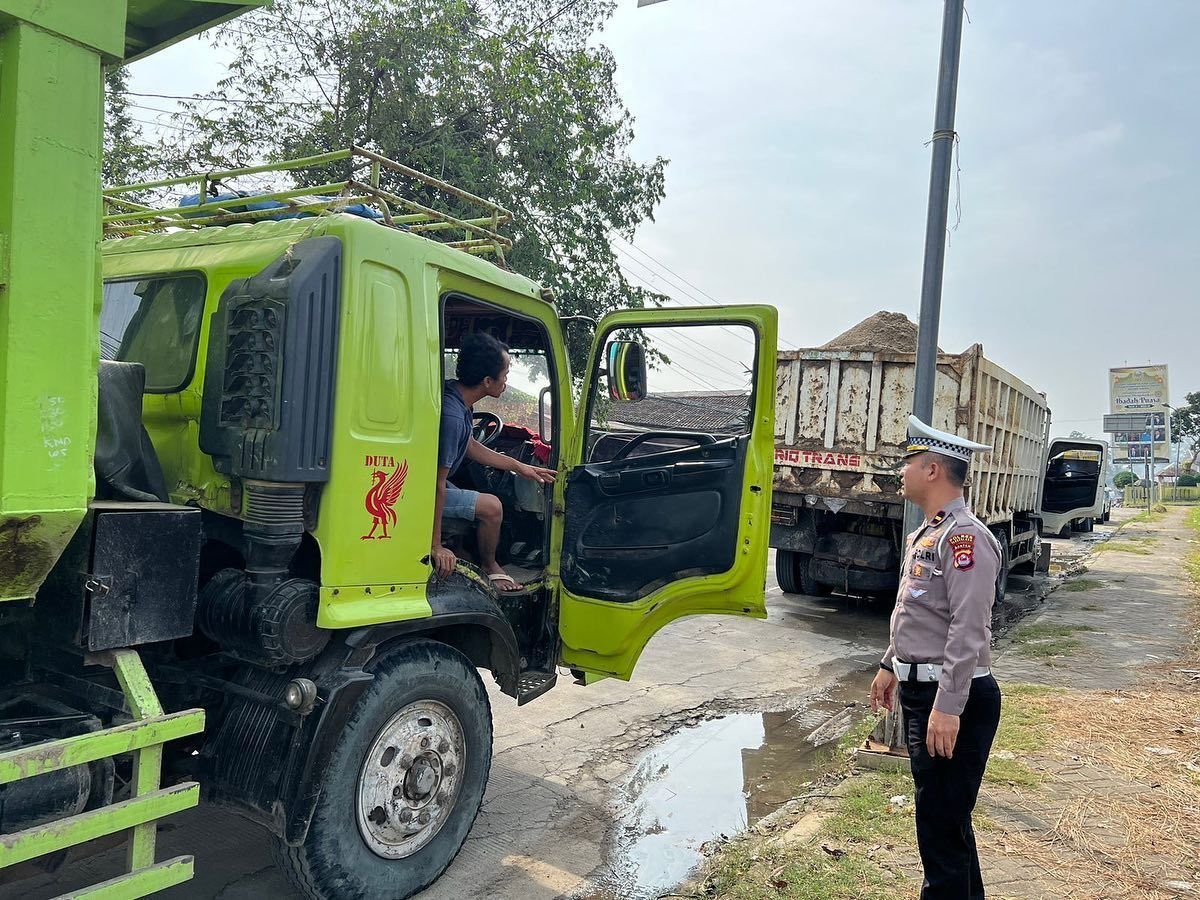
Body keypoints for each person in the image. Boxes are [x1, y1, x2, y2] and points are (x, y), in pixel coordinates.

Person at [869, 415, 1003, 900]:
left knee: (941, 825)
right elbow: (919, 613)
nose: (900, 472)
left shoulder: (964, 539)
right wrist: (890, 664)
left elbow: (969, 629)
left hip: (950, 698)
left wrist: (948, 708)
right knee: (946, 822)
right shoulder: (929, 533)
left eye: (908, 463)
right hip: (922, 690)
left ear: (931, 470)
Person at [432, 332, 556, 591]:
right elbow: (437, 485)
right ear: (488, 381)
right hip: (422, 490)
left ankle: (463, 553)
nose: (506, 382)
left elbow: (469, 445)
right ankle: (490, 566)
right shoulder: (452, 417)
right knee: (493, 507)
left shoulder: (457, 397)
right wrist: (435, 546)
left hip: (428, 482)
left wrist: (520, 467)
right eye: (505, 375)